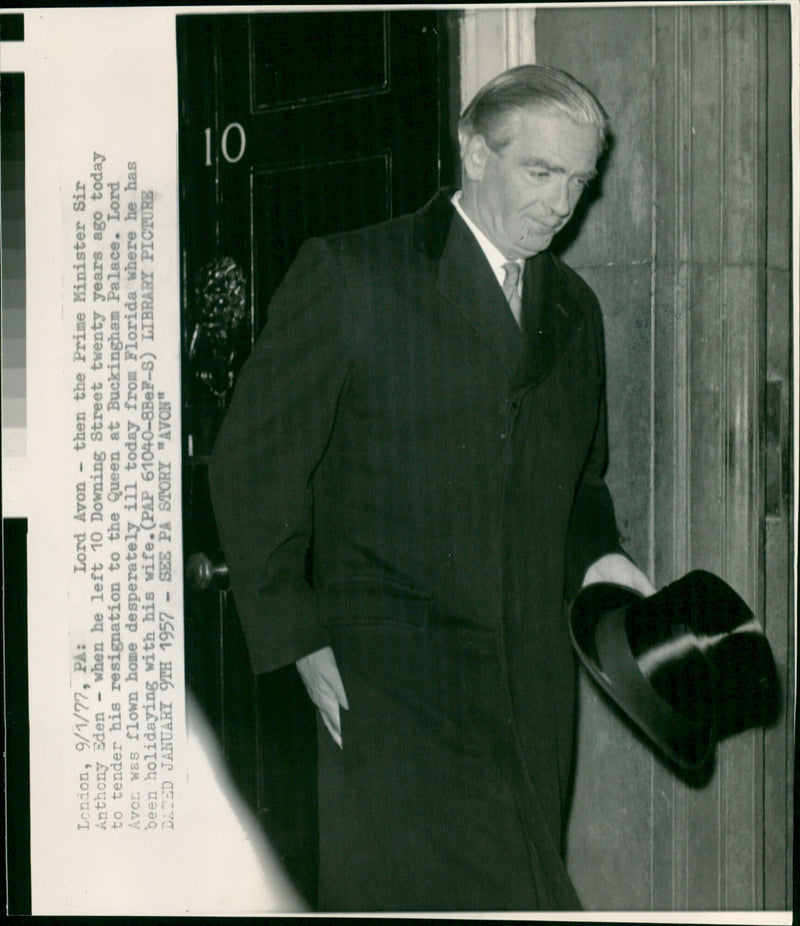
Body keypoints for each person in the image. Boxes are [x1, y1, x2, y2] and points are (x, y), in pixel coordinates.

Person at [208, 64, 655, 912]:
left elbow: (579, 486)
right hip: (394, 683)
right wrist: (297, 636)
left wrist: (602, 560)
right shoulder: (354, 276)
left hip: (530, 685)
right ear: (473, 154)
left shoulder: (575, 310)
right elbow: (251, 463)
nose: (564, 205)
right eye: (542, 173)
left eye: (580, 181)